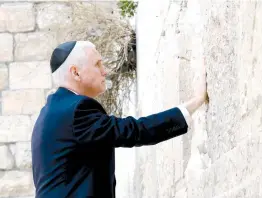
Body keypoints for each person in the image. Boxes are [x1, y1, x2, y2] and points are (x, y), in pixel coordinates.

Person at [31, 41, 208, 198]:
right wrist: (194, 103)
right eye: (97, 64)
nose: (104, 71)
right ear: (75, 72)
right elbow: (134, 131)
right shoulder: (76, 110)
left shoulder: (51, 112)